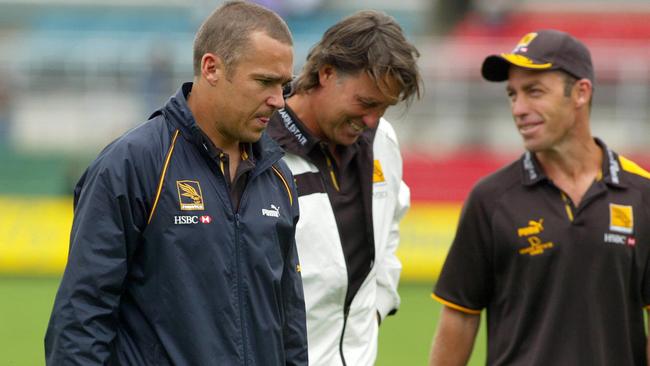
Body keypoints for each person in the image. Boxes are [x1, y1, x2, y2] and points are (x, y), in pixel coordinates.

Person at [45, 2, 308, 365]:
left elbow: (290, 323)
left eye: (285, 85)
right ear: (211, 68)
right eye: (265, 81)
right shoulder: (132, 164)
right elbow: (81, 316)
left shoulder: (277, 175)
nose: (279, 100)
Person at [429, 29, 650, 365]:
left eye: (534, 92)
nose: (519, 108)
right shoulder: (490, 199)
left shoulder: (642, 194)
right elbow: (459, 316)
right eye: (512, 95)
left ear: (580, 92)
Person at [267, 10, 422, 366]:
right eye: (366, 102)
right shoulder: (259, 151)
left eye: (384, 107)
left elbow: (391, 229)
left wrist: (379, 306)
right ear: (326, 73)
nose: (372, 120)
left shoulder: (382, 139)